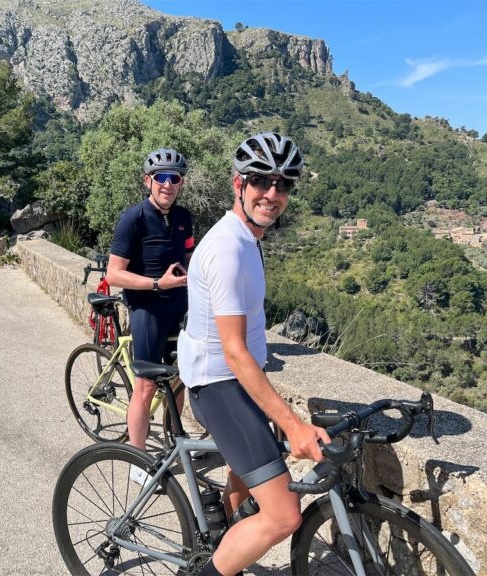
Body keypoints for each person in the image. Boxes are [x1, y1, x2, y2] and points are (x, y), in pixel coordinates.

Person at [177, 132, 331, 576]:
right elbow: (234, 350)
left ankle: (221, 537)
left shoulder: (247, 238)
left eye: (283, 185)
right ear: (238, 184)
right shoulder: (228, 248)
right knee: (284, 516)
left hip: (236, 379)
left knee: (248, 476)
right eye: (261, 181)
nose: (272, 194)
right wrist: (294, 424)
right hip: (218, 383)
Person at [106, 147, 194, 484]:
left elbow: (189, 256)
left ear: (181, 183)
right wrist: (158, 283)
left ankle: (174, 441)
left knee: (178, 380)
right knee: (144, 387)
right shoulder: (133, 219)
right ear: (148, 181)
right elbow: (114, 274)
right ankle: (137, 458)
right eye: (161, 177)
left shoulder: (184, 217)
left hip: (179, 308)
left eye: (175, 178)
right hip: (147, 310)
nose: (168, 184)